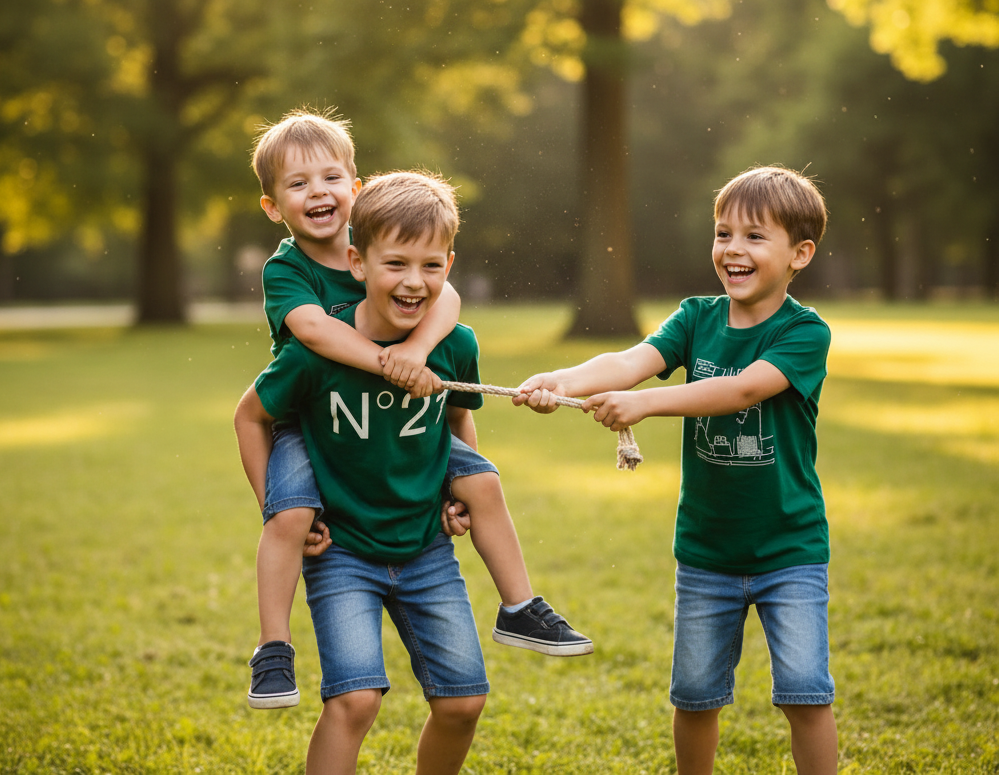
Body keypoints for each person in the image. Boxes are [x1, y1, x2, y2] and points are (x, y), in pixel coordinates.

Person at [244, 113, 591, 707]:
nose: (318, 192)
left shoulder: (390, 241)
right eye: (297, 184)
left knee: (482, 480)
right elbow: (313, 332)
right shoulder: (288, 270)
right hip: (316, 417)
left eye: (331, 177)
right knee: (291, 516)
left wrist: (416, 350)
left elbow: (447, 296)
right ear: (273, 207)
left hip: (402, 413)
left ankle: (520, 606)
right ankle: (273, 648)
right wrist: (391, 364)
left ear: (355, 188)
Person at [516, 166, 837, 775]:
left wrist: (646, 403)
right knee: (694, 696)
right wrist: (561, 381)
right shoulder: (696, 318)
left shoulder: (804, 332)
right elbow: (632, 360)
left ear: (800, 253)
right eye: (723, 234)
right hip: (706, 553)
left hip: (789, 550)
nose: (732, 249)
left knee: (804, 692)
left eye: (753, 237)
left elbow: (744, 391)